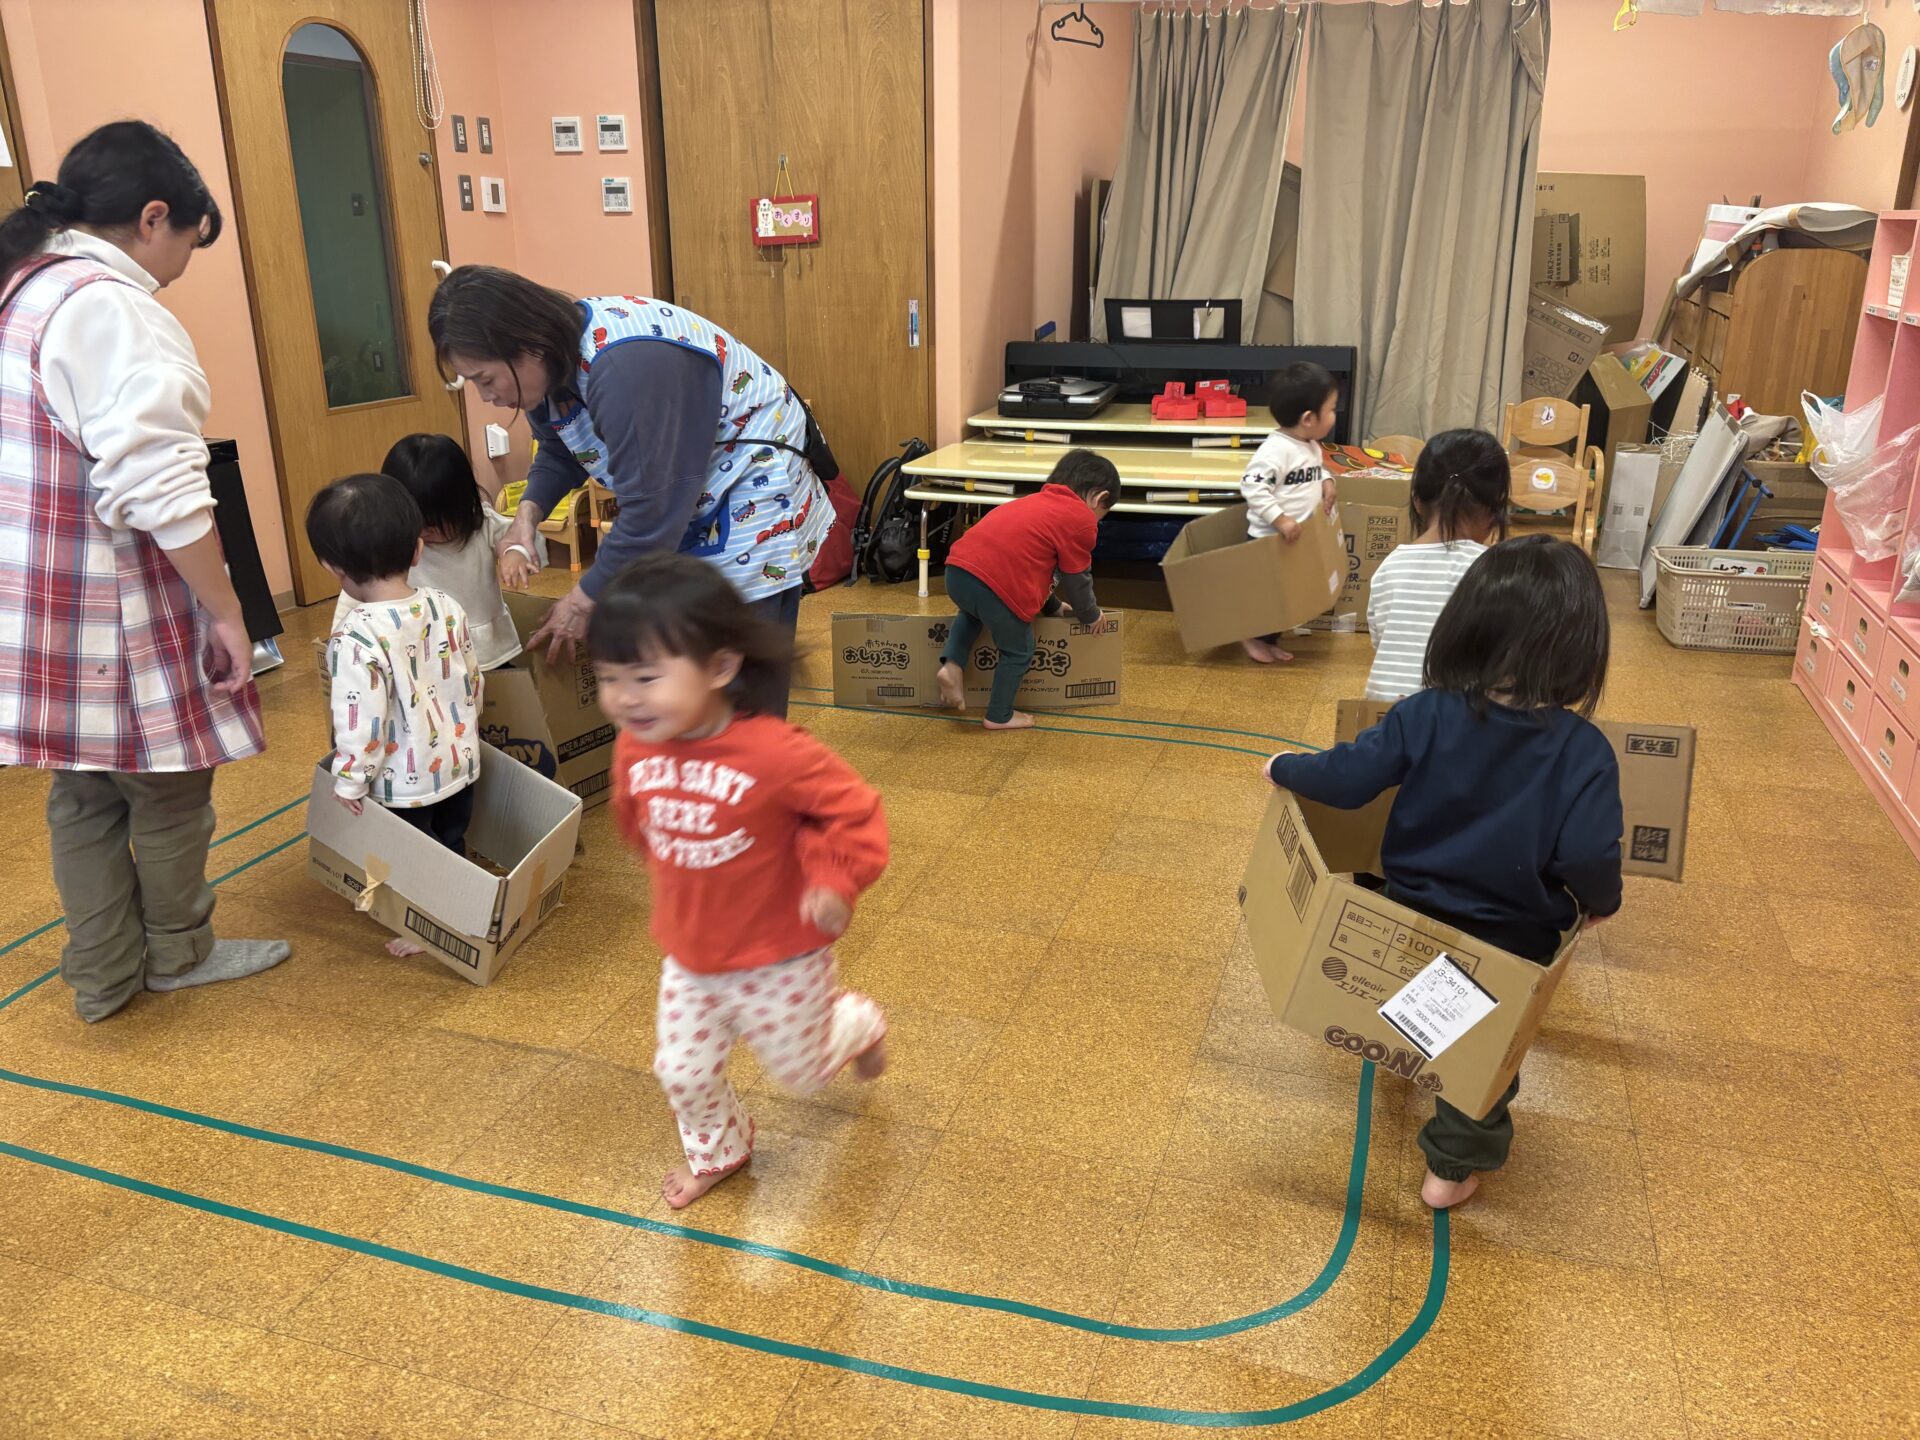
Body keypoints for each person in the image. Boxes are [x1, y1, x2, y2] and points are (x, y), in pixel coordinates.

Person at [0, 121, 289, 1023]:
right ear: (154, 217)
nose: (179, 270)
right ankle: (178, 953)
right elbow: (162, 485)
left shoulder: (21, 289)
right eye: (188, 246)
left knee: (83, 790)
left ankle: (101, 973)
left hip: (35, 599)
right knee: (167, 789)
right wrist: (228, 610)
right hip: (111, 600)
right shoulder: (112, 309)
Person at [1265, 536, 1622, 1210]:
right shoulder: (1585, 752)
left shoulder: (1424, 713)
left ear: (1466, 627)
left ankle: (1407, 1041)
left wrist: (1284, 766)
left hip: (1407, 913)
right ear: (1582, 650)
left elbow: (1346, 779)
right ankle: (1451, 1170)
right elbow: (1590, 853)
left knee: (1416, 994)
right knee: (1483, 1054)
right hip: (1509, 939)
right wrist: (1603, 900)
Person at [594, 553, 889, 1209]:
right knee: (682, 1071)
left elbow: (855, 812)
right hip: (691, 953)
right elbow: (633, 814)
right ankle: (719, 1151)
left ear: (721, 667)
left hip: (779, 956)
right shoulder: (636, 743)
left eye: (646, 677)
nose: (625, 697)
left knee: (803, 1076)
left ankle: (856, 1023)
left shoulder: (777, 753)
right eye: (609, 678)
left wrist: (833, 878)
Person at [426, 266, 833, 716]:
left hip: (748, 478)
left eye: (485, 379)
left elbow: (651, 513)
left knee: (736, 675)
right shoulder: (550, 369)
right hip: (681, 495)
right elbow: (561, 450)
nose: (485, 396)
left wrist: (582, 599)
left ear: (528, 345)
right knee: (683, 664)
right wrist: (526, 518)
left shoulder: (626, 367)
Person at [309, 475, 482, 957]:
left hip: (403, 782)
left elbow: (359, 720)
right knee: (450, 838)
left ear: (332, 566)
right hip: (458, 760)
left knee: (412, 855)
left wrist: (350, 780)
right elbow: (473, 678)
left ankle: (426, 925)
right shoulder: (445, 606)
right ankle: (456, 907)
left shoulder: (355, 637)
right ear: (418, 549)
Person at [934, 449, 1115, 731]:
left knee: (971, 614)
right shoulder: (1080, 519)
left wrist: (1054, 606)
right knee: (1019, 650)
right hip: (996, 582)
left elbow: (1033, 567)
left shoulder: (1035, 502)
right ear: (1098, 498)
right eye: (1103, 514)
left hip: (957, 571)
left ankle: (952, 667)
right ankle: (999, 715)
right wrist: (1089, 615)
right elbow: (1076, 577)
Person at [330, 433, 523, 671]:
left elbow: (520, 537)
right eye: (416, 524)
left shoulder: (484, 525)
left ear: (463, 504)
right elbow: (356, 591)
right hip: (427, 657)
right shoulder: (394, 543)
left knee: (505, 688)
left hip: (488, 651)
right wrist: (340, 639)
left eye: (435, 524)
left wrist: (514, 552)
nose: (424, 534)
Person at [1364, 429, 1510, 702]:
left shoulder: (1390, 566)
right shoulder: (1495, 570)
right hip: (1455, 718)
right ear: (1494, 508)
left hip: (1384, 713)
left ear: (1417, 502)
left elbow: (1382, 642)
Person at [1239, 362, 1340, 665]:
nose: (1334, 416)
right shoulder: (1276, 451)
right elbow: (1253, 486)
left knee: (1286, 595)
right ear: (1308, 418)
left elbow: (1315, 469)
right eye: (1331, 409)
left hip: (1296, 537)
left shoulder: (1309, 445)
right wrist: (1280, 520)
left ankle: (1270, 639)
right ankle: (1251, 637)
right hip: (1269, 538)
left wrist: (1327, 480)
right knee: (1266, 596)